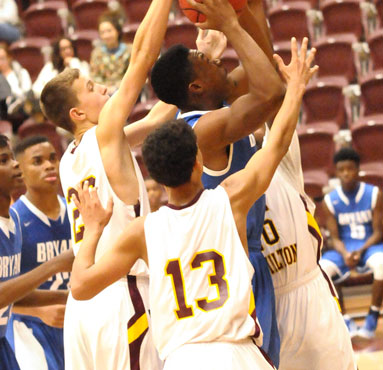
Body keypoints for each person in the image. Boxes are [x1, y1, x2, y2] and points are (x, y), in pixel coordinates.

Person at [69, 34, 316, 369]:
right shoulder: (230, 201)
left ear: (154, 177)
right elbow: (276, 145)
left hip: (181, 359)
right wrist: (296, 90)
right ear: (199, 162)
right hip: (235, 352)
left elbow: (81, 286)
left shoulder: (144, 231)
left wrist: (94, 231)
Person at [40, 0, 211, 370]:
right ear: (78, 112)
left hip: (85, 306)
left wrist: (202, 58)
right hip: (122, 297)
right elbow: (140, 58)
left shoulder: (71, 157)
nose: (106, 89)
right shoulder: (107, 131)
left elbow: (155, 120)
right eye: (94, 88)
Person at [150, 0, 283, 366]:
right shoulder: (203, 131)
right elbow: (273, 92)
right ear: (195, 88)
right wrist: (232, 20)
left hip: (241, 264)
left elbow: (269, 69)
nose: (219, 61)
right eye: (208, 61)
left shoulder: (219, 107)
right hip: (233, 275)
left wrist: (251, 5)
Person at [257, 114, 356, 366]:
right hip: (268, 303)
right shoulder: (222, 186)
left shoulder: (281, 162)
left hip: (309, 290)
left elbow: (278, 108)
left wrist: (292, 85)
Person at [0, 133, 73, 370]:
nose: (14, 164)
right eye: (3, 161)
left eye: (13, 158)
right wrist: (57, 264)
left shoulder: (11, 219)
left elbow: (15, 294)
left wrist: (71, 298)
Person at [320, 147, 383, 339]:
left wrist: (361, 250)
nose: (346, 173)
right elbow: (335, 238)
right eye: (341, 170)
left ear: (358, 169)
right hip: (344, 249)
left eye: (350, 169)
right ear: (336, 172)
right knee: (323, 269)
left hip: (369, 246)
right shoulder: (329, 200)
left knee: (382, 263)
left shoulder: (374, 194)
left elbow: (379, 232)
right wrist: (346, 253)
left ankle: (372, 316)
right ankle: (344, 317)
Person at [0, 42, 31, 125]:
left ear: (9, 57)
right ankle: (6, 103)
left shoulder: (21, 73)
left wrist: (13, 95)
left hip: (19, 108)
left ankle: (9, 102)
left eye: (2, 58)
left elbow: (27, 93)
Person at [89, 9, 132, 92]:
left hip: (125, 91)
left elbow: (132, 76)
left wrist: (116, 88)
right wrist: (106, 89)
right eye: (102, 32)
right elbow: (95, 77)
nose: (106, 36)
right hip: (104, 93)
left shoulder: (130, 50)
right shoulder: (96, 53)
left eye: (109, 31)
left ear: (118, 31)